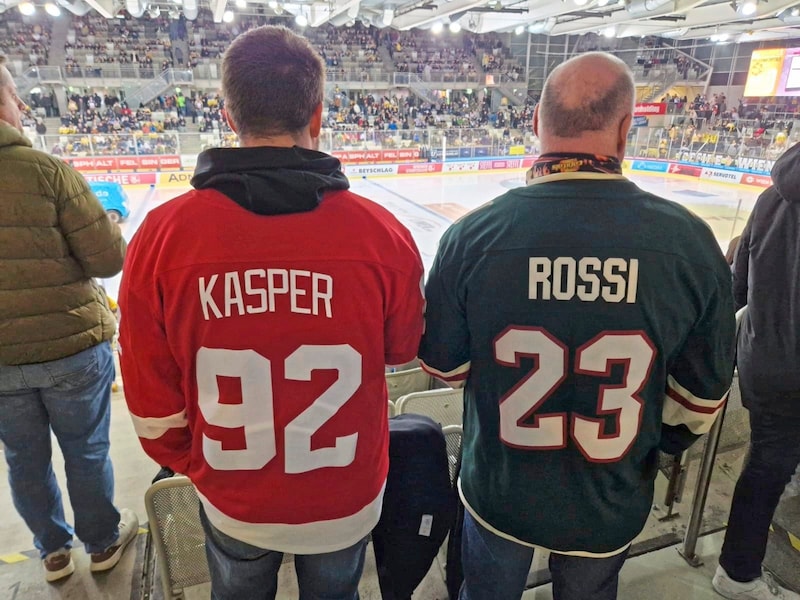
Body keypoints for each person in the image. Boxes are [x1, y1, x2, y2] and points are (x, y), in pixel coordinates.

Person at [118, 25, 424, 600]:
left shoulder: (161, 237)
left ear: (229, 116)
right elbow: (403, 350)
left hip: (234, 497)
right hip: (345, 496)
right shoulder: (383, 233)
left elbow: (150, 400)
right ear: (318, 112)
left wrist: (199, 465)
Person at [418, 51, 736, 600]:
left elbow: (445, 367)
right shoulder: (689, 243)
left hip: (500, 488)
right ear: (625, 129)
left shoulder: (471, 237)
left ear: (537, 125)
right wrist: (640, 447)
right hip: (610, 496)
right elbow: (702, 400)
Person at [0, 54, 137, 583]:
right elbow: (107, 259)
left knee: (22, 458)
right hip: (70, 345)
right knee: (86, 449)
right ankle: (101, 542)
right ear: (8, 104)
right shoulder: (49, 172)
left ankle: (53, 551)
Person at [713, 141, 800, 600]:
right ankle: (739, 572)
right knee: (770, 467)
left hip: (764, 360)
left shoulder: (771, 199)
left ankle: (739, 569)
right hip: (789, 371)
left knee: (765, 464)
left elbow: (739, 285)